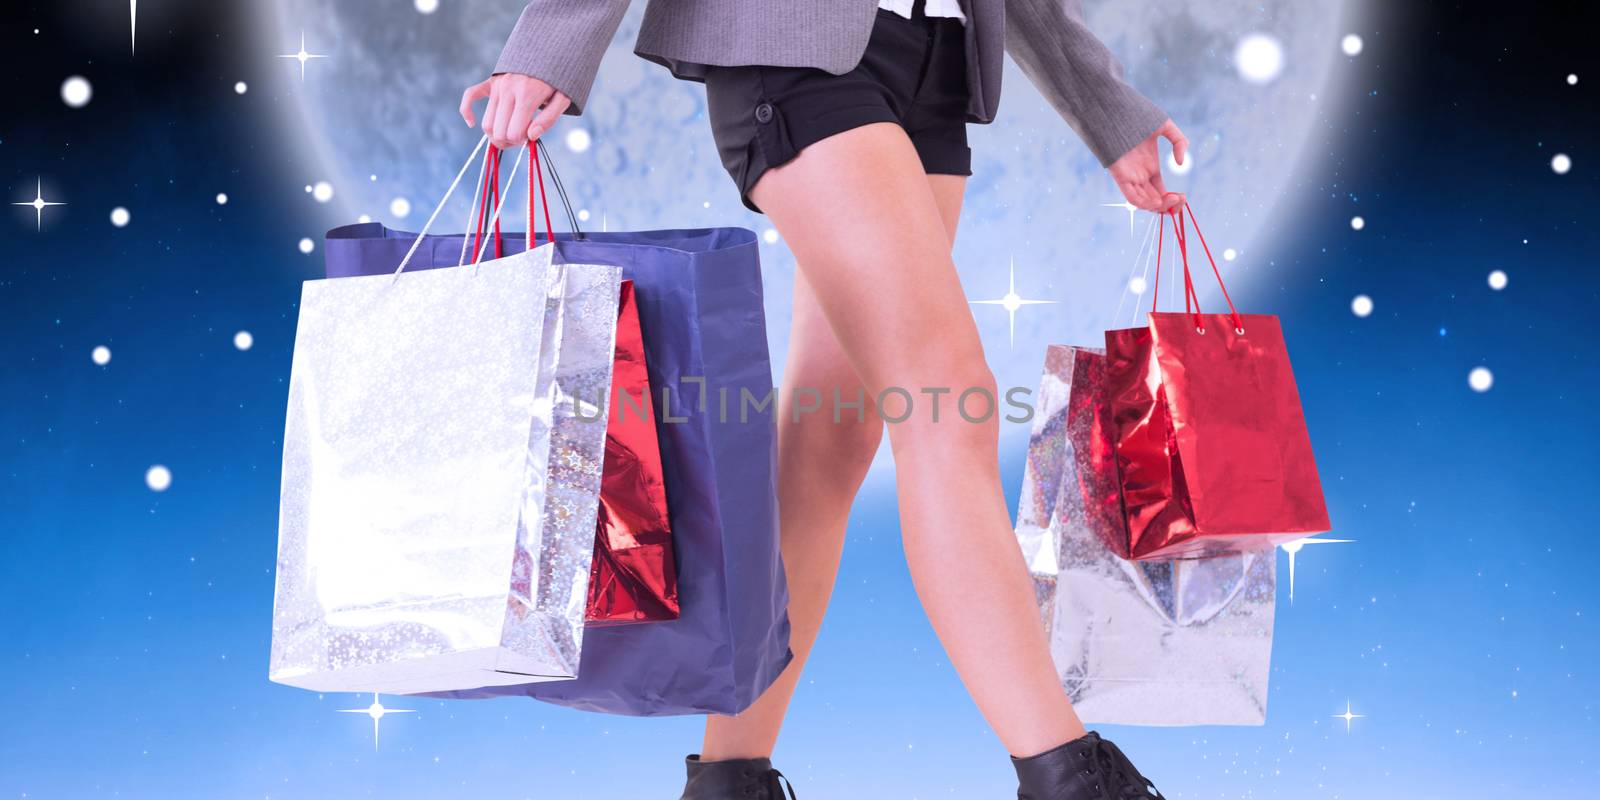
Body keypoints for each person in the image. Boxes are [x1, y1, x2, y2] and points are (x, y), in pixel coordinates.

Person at [462, 1, 1184, 797]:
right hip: (793, 43)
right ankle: (1068, 774)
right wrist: (551, 44)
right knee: (945, 401)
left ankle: (728, 781)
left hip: (935, 58)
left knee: (830, 437)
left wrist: (1108, 109)